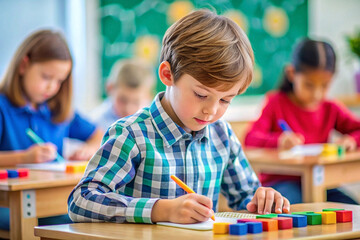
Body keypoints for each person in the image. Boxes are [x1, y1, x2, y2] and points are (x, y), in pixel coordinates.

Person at [68, 9, 290, 225]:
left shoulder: (221, 134)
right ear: (167, 75)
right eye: (201, 94)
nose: (211, 110)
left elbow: (247, 197)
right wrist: (160, 210)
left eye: (225, 100)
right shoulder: (132, 134)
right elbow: (81, 200)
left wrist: (263, 199)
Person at [0, 29, 104, 229]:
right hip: (11, 204)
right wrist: (23, 158)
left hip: (52, 199)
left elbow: (98, 134)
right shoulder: (3, 108)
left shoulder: (55, 108)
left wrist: (88, 150)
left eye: (59, 81)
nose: (52, 87)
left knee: (87, 220)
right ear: (24, 65)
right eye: (46, 77)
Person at [244, 38, 360, 204]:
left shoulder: (330, 108)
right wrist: (279, 141)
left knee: (352, 210)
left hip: (320, 183)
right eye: (309, 85)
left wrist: (352, 140)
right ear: (292, 74)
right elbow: (250, 138)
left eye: (325, 86)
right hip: (281, 184)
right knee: (288, 210)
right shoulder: (276, 102)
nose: (317, 94)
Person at [90, 58, 155, 131]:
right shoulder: (95, 124)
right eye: (123, 100)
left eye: (136, 102)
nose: (128, 109)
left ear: (149, 96)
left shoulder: (154, 120)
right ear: (110, 88)